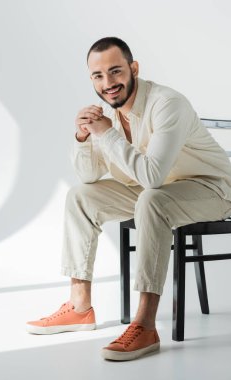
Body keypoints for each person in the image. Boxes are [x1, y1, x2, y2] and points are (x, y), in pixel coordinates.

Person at [26, 37, 231, 361]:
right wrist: (83, 136)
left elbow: (151, 177)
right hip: (156, 188)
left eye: (115, 71)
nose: (107, 83)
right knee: (81, 197)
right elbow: (88, 177)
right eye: (98, 75)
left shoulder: (167, 103)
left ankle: (145, 324)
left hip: (210, 187)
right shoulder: (111, 115)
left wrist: (105, 133)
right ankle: (80, 307)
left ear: (133, 68)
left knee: (152, 200)